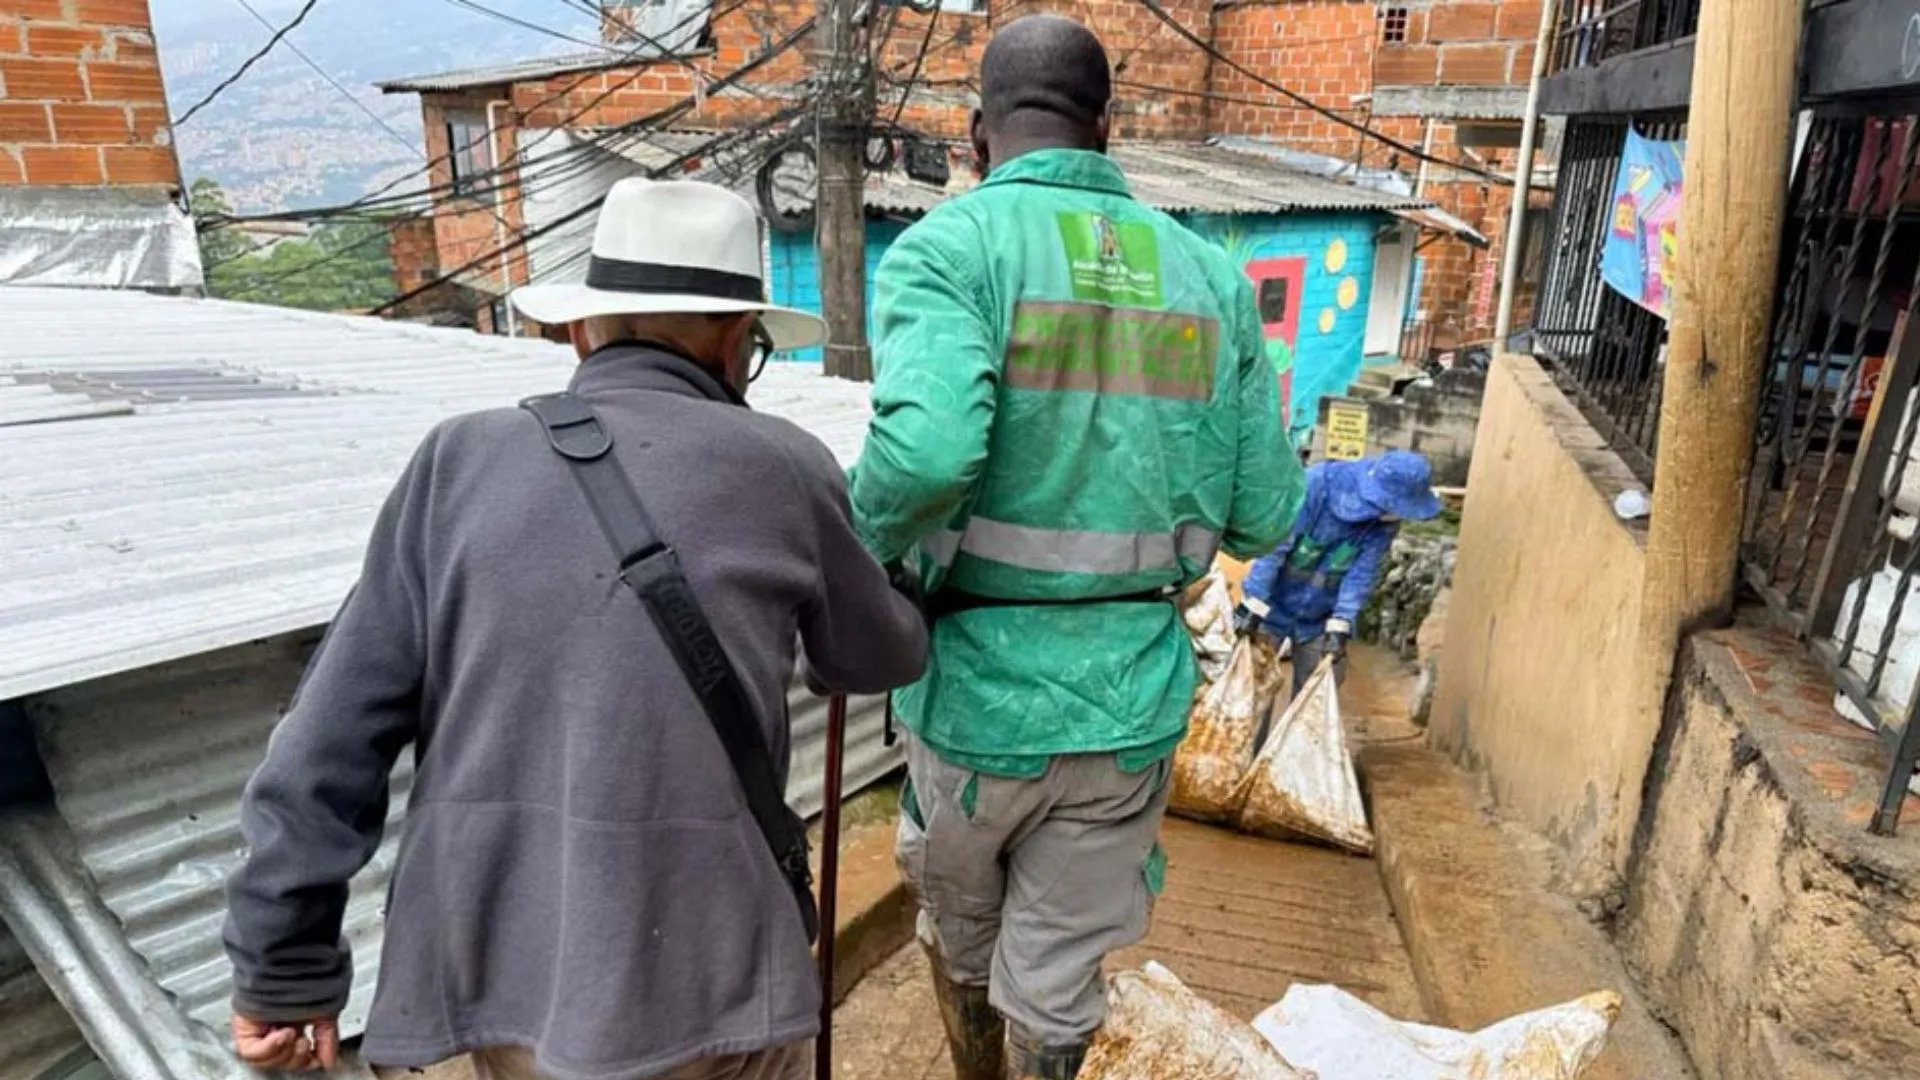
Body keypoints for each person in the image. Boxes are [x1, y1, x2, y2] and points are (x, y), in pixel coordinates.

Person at [222, 179, 929, 1080]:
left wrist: (283, 967)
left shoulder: (454, 462)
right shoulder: (784, 466)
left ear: (582, 329)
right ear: (731, 341)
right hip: (709, 976)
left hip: (497, 967)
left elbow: (325, 744)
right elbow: (879, 655)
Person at [849, 16, 1306, 1080]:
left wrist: (860, 554)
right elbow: (1266, 513)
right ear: (1109, 128)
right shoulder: (1213, 280)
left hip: (972, 704)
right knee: (1059, 973)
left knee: (963, 939)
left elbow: (922, 460)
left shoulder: (949, 251)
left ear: (975, 135)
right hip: (1125, 705)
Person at [1235, 450, 1444, 694]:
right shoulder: (1315, 486)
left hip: (1320, 619)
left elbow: (1361, 573)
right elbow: (1276, 546)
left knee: (1318, 696)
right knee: (1248, 694)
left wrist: (1341, 622)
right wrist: (1253, 601)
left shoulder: (1383, 524)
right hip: (1272, 605)